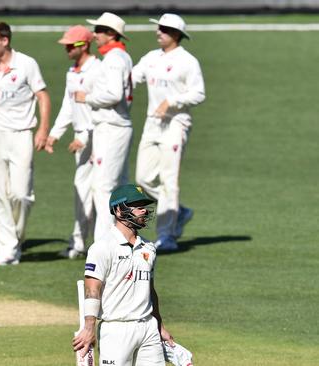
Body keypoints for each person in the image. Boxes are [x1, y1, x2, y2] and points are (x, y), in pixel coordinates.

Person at [0, 22, 51, 266]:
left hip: (21, 134)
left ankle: (16, 236)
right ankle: (6, 250)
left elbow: (43, 96)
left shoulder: (26, 64)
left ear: (5, 41)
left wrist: (43, 129)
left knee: (20, 194)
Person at [72, 184, 175, 365]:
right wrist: (89, 328)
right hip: (116, 330)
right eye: (138, 206)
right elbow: (92, 290)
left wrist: (159, 326)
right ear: (119, 210)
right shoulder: (102, 247)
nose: (144, 211)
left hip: (148, 327)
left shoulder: (149, 248)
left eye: (144, 206)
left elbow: (150, 290)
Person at [132, 14, 205, 251]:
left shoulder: (188, 61)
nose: (158, 32)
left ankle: (167, 236)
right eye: (158, 28)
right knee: (143, 178)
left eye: (163, 29)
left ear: (176, 35)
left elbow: (198, 93)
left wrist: (172, 101)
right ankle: (179, 212)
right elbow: (132, 77)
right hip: (152, 124)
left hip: (176, 124)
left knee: (169, 181)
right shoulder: (151, 58)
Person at [75, 12, 134, 242]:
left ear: (111, 34)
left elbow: (113, 94)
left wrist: (87, 97)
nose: (95, 34)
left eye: (99, 30)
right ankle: (121, 240)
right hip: (113, 125)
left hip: (112, 126)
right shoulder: (119, 56)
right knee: (116, 186)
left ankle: (105, 245)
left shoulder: (114, 59)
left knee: (103, 188)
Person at [45, 25, 98, 259]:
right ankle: (83, 242)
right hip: (81, 139)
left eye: (70, 45)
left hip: (97, 138)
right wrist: (55, 134)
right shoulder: (72, 72)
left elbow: (103, 109)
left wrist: (85, 136)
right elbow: (69, 106)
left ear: (84, 45)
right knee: (84, 192)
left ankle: (80, 242)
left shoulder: (98, 70)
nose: (66, 48)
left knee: (91, 192)